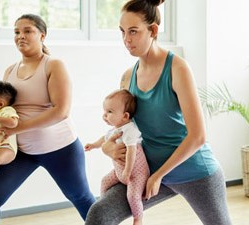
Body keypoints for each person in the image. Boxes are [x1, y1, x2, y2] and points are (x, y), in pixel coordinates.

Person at [85, 0, 232, 224]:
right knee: (100, 213)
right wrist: (108, 147)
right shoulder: (128, 77)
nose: (126, 39)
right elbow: (125, 128)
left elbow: (198, 136)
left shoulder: (177, 68)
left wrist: (159, 175)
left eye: (133, 31)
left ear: (153, 30)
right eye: (123, 32)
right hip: (147, 173)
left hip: (195, 172)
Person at [0, 14, 96, 225]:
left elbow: (61, 111)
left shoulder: (53, 65)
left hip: (61, 149)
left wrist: (18, 127)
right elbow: (4, 108)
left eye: (27, 31)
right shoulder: (9, 71)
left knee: (81, 197)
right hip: (22, 151)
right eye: (17, 32)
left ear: (42, 35)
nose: (21, 36)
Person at [85, 89, 149, 225]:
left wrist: (127, 171)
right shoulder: (115, 130)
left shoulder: (130, 130)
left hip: (135, 173)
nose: (105, 115)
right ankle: (104, 203)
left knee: (132, 196)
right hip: (119, 171)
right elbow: (104, 139)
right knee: (104, 181)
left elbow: (132, 152)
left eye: (110, 112)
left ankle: (138, 218)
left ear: (125, 116)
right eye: (104, 111)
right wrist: (94, 145)